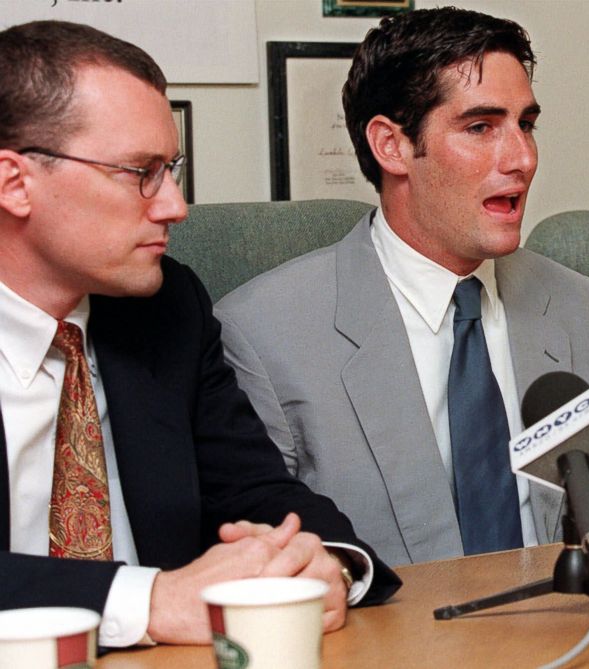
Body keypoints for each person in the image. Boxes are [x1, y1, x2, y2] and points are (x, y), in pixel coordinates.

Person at [0, 20, 400, 648]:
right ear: (14, 182)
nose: (174, 206)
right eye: (140, 171)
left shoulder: (167, 306)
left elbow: (256, 491)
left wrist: (331, 564)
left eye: (172, 168)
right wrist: (149, 600)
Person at [216, 7, 589, 567]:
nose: (523, 157)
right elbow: (279, 563)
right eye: (480, 127)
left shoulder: (570, 303)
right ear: (392, 146)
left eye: (526, 124)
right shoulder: (264, 331)